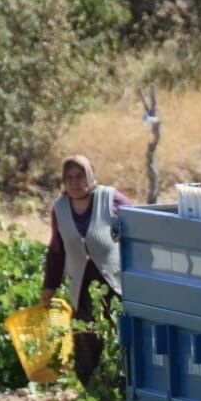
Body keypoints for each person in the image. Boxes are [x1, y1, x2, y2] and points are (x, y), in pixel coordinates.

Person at [41, 155, 131, 384]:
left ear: (91, 175)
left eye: (80, 176)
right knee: (85, 338)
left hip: (114, 286)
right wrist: (49, 287)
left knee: (118, 336)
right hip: (81, 288)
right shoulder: (60, 209)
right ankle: (92, 390)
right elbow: (57, 250)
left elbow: (138, 229)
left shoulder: (111, 199)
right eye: (69, 177)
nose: (74, 182)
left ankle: (121, 387)